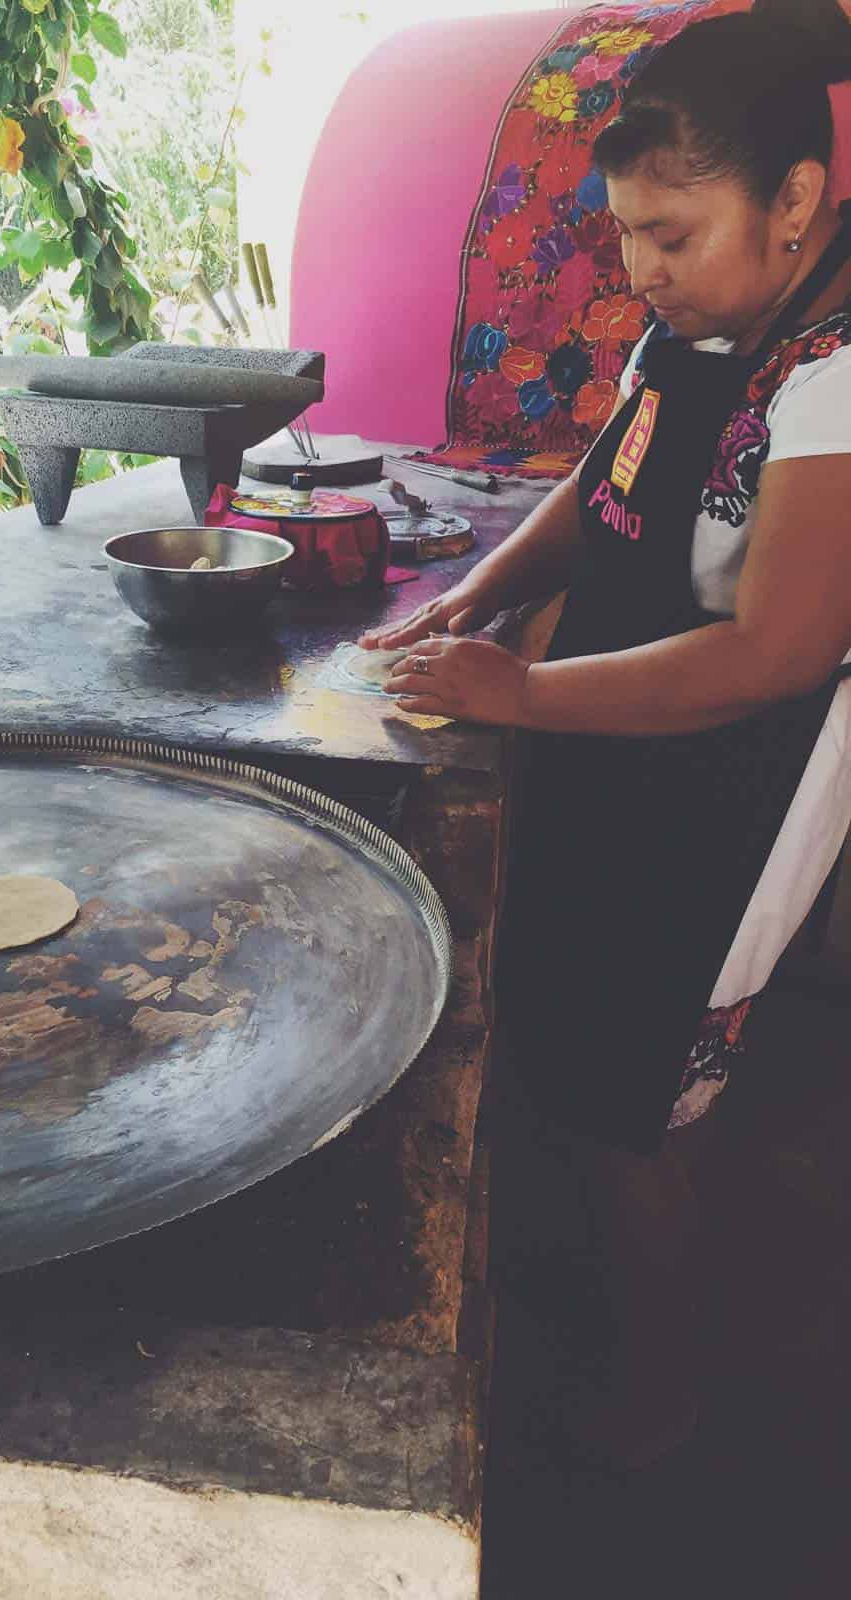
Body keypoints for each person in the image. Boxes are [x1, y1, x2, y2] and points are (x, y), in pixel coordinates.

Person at [361, 2, 851, 1468]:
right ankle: (590, 1303)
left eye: (673, 234)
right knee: (575, 1022)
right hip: (630, 725)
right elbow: (610, 477)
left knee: (652, 1090)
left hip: (749, 772)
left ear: (798, 203)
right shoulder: (703, 309)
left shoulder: (830, 376)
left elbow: (776, 653)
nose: (641, 268)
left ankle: (672, 1416)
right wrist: (478, 593)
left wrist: (516, 695)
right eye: (627, 231)